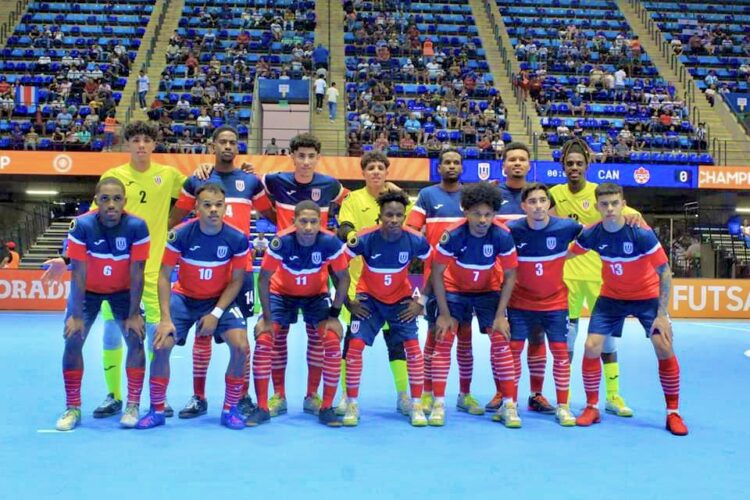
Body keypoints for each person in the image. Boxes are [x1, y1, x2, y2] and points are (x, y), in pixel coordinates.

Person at [42, 121, 186, 419]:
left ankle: (158, 398)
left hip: (152, 269)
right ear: (128, 144)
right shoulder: (113, 177)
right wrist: (66, 259)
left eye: (148, 140)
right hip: (116, 272)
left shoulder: (169, 175)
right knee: (110, 334)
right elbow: (92, 226)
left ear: (154, 144)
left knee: (157, 337)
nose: (142, 145)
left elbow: (197, 192)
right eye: (136, 140)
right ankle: (114, 396)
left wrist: (173, 221)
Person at [169, 126, 276, 419]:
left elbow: (273, 215)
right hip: (204, 269)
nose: (228, 146)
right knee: (202, 336)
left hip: (238, 273)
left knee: (242, 338)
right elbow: (176, 218)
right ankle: (199, 397)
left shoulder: (250, 182)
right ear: (212, 145)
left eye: (233, 142)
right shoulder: (198, 180)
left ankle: (241, 396)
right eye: (223, 142)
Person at [569, 183, 688, 436]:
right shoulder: (593, 234)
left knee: (663, 344)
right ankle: (592, 407)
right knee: (591, 346)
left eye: (614, 203)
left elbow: (664, 272)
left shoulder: (640, 233)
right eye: (604, 204)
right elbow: (566, 254)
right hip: (611, 298)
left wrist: (662, 314)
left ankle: (673, 413)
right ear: (597, 206)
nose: (610, 208)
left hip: (647, 298)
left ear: (623, 203)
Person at [135, 183, 250, 430]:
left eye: (219, 205)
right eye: (207, 205)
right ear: (197, 208)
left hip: (218, 299)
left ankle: (230, 410)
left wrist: (216, 313)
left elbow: (237, 280)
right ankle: (156, 410)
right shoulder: (180, 234)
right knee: (162, 344)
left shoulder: (237, 238)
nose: (213, 210)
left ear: (225, 207)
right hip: (184, 299)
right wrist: (165, 318)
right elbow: (164, 276)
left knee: (241, 346)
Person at [549, 138, 642, 418]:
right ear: (563, 166)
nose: (574, 167)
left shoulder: (599, 193)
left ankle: (613, 397)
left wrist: (636, 217)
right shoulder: (554, 193)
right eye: (569, 163)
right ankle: (563, 400)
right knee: (567, 342)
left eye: (579, 163)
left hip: (601, 278)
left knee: (608, 344)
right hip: (566, 278)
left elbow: (629, 214)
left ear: (587, 165)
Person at [255, 133, 347, 416]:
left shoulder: (330, 185)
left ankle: (312, 396)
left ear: (318, 158)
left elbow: (349, 201)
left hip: (316, 283)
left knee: (320, 339)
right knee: (274, 338)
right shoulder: (275, 180)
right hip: (282, 278)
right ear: (292, 157)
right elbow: (251, 187)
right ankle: (278, 397)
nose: (306, 162)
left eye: (311, 157)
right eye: (301, 156)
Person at [55, 178, 149, 431]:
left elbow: (137, 273)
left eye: (117, 198)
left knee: (135, 337)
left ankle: (132, 404)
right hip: (88, 292)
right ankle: (73, 406)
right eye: (105, 198)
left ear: (124, 202)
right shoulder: (82, 225)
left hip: (123, 292)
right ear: (96, 201)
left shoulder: (137, 227)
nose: (111, 204)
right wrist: (75, 316)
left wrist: (132, 314)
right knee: (73, 338)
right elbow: (78, 273)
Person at [246, 201, 350, 427]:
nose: (309, 227)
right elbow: (263, 279)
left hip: (316, 295)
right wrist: (266, 317)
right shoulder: (281, 241)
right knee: (266, 340)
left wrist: (334, 315)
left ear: (321, 223)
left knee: (331, 341)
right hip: (281, 294)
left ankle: (320, 403)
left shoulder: (330, 242)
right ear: (294, 222)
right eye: (303, 221)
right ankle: (268, 403)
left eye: (314, 222)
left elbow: (344, 279)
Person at [431, 183, 519, 427]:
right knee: (445, 337)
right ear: (465, 212)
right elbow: (436, 272)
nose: (482, 220)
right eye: (477, 214)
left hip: (488, 292)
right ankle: (439, 403)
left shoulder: (502, 235)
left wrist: (501, 314)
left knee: (501, 339)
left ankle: (510, 406)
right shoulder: (453, 234)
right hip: (455, 291)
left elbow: (510, 275)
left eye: (488, 214)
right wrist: (445, 314)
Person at [342, 191, 431, 427]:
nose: (393, 220)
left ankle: (415, 404)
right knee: (355, 347)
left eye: (399, 215)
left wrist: (419, 301)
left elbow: (432, 266)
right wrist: (347, 301)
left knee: (413, 348)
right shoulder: (364, 238)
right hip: (368, 300)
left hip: (401, 301)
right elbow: (338, 265)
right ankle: (351, 402)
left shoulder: (415, 240)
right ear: (379, 216)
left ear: (404, 216)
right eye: (389, 215)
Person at [406, 149, 484, 416]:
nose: (452, 166)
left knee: (465, 337)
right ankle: (427, 393)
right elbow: (412, 236)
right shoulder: (427, 196)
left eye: (456, 162)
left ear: (463, 167)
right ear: (438, 168)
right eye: (447, 163)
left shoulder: (471, 197)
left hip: (469, 280)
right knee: (434, 336)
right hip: (436, 281)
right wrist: (415, 286)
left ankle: (465, 394)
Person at [334, 151, 411, 416]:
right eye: (371, 168)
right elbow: (344, 228)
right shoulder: (353, 199)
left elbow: (410, 230)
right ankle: (347, 396)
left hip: (393, 288)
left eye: (380, 167)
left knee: (396, 342)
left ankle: (403, 396)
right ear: (363, 173)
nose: (376, 172)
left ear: (387, 172)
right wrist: (360, 240)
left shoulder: (399, 202)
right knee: (352, 342)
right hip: (360, 285)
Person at [506, 183, 583, 427]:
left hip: (555, 303)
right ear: (523, 206)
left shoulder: (566, 227)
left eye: (542, 200)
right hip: (520, 302)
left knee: (561, 353)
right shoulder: (511, 229)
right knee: (513, 352)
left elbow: (599, 232)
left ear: (549, 204)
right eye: (532, 201)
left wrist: (635, 221)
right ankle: (510, 404)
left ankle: (563, 406)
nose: (538, 205)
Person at [496, 143, 556, 414]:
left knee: (536, 336)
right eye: (512, 159)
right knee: (504, 338)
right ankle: (503, 393)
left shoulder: (540, 195)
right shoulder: (494, 195)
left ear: (530, 165)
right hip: (501, 278)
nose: (517, 163)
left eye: (522, 159)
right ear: (504, 164)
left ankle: (536, 394)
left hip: (535, 281)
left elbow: (554, 232)